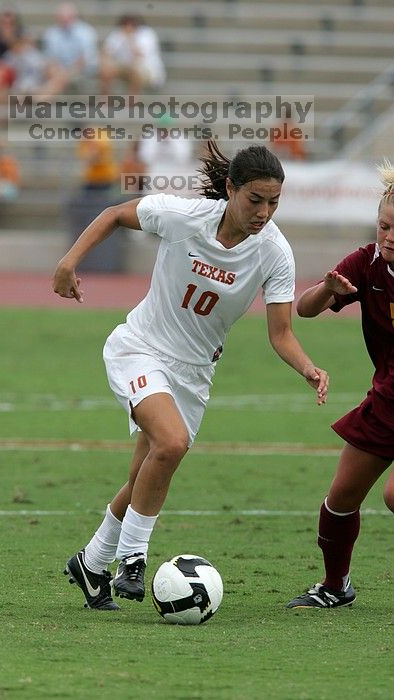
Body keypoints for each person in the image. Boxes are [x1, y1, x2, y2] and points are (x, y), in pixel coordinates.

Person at [52, 141, 329, 611]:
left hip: (195, 374)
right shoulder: (185, 217)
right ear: (230, 189)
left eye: (273, 202)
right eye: (254, 200)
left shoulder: (275, 253)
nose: (264, 212)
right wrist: (68, 262)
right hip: (140, 348)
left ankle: (92, 561)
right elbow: (116, 214)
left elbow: (280, 333)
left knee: (145, 472)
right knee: (172, 443)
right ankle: (132, 560)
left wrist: (308, 367)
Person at [287, 161, 394, 610]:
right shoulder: (366, 262)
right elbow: (304, 309)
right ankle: (335, 586)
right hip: (388, 401)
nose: (389, 237)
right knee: (340, 499)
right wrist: (329, 288)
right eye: (384, 225)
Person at [99, 14, 165, 95]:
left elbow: (139, 55)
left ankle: (131, 103)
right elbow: (105, 52)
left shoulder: (147, 34)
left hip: (146, 70)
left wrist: (130, 39)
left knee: (136, 72)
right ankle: (106, 100)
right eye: (126, 24)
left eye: (131, 25)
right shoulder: (117, 33)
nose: (128, 27)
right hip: (124, 68)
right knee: (106, 70)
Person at [42, 2, 98, 91]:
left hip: (83, 71)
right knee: (53, 73)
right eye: (61, 17)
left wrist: (67, 73)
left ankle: (35, 99)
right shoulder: (51, 33)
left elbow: (84, 61)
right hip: (59, 71)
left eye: (68, 17)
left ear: (75, 17)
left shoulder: (86, 32)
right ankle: (37, 99)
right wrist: (59, 71)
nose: (65, 20)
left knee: (58, 79)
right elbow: (51, 58)